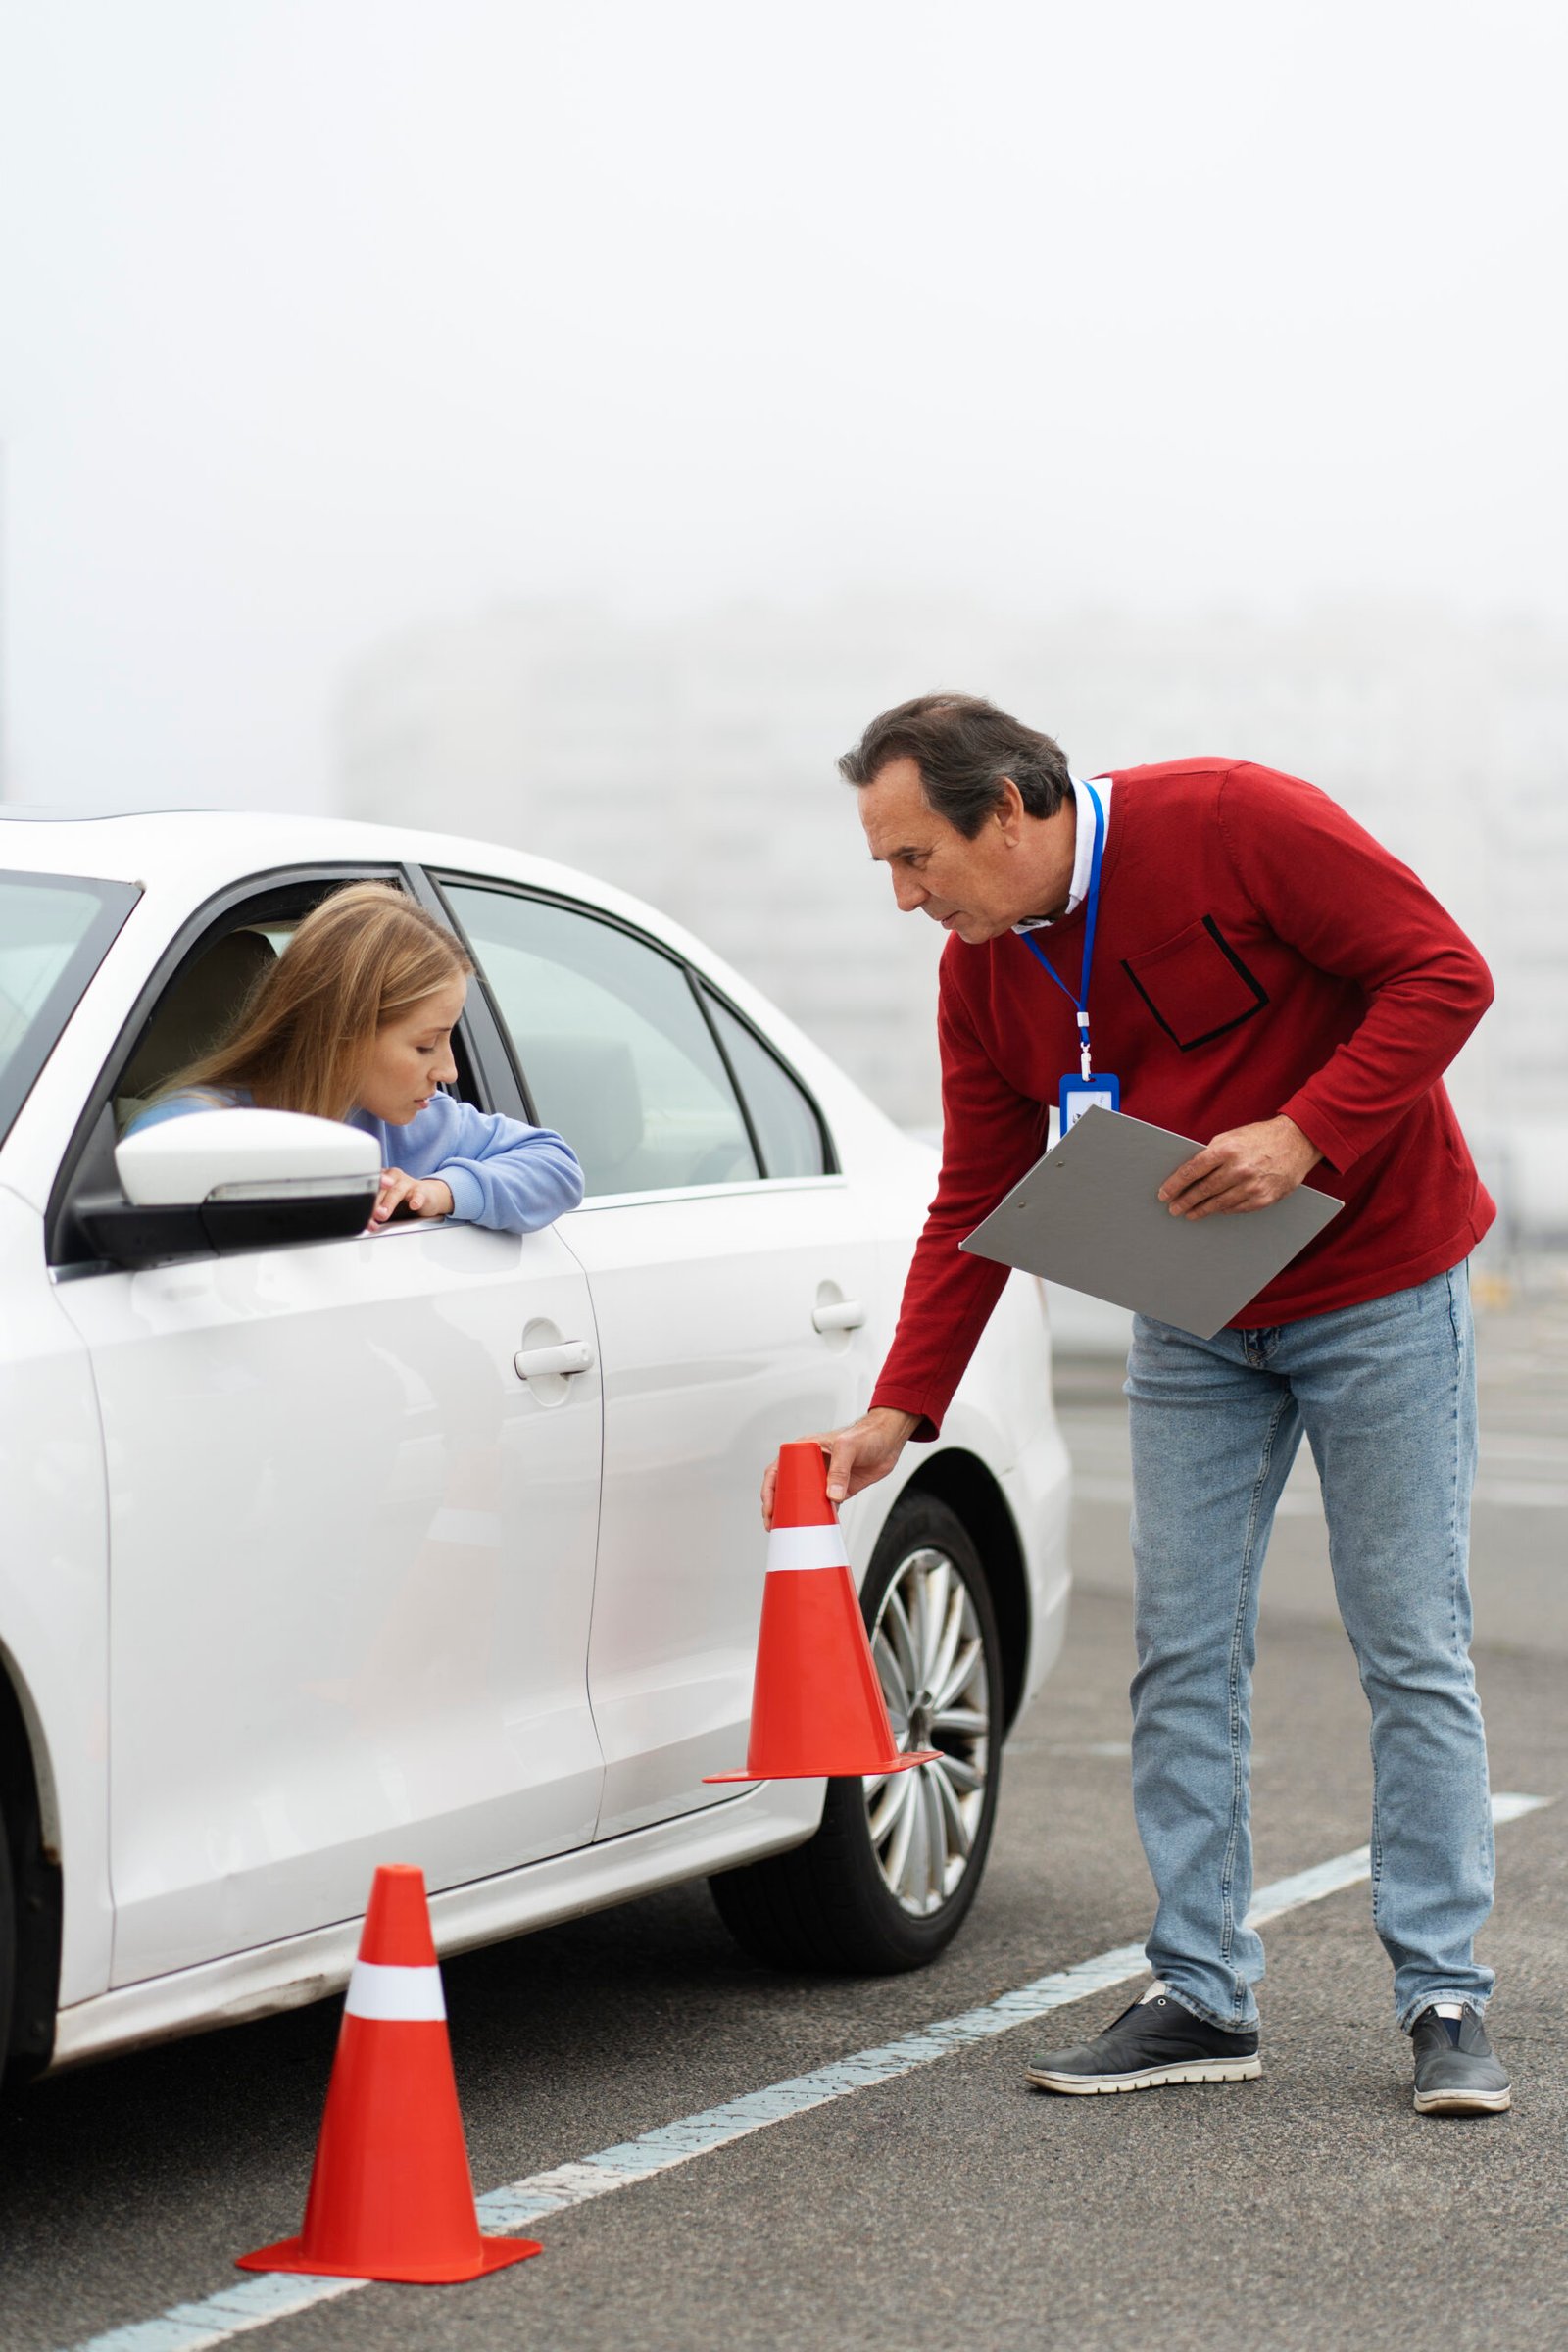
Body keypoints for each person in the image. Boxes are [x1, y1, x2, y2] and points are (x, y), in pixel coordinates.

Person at [764, 692, 1508, 2119]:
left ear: (1014, 809)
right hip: (1191, 1315)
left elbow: (1441, 975)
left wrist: (1308, 1132)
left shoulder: (1234, 818)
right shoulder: (980, 973)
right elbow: (977, 1194)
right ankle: (1203, 1991)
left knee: (1409, 1636)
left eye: (917, 859)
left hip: (1379, 1282)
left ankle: (1444, 1992)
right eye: (888, 869)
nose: (907, 898)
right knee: (1179, 1650)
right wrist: (898, 1408)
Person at [131, 881, 583, 1233]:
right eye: (426, 1044)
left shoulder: (416, 1126)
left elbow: (555, 1165)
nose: (448, 1070)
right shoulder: (186, 1130)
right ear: (340, 1035)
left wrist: (438, 1192)